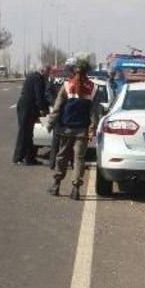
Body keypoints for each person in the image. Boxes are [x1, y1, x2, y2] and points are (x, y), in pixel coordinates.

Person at [46, 58, 97, 200]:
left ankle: (56, 185)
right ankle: (76, 189)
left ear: (74, 71)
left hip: (65, 128)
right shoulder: (93, 88)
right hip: (82, 129)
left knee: (62, 156)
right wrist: (92, 129)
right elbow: (94, 112)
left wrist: (50, 124)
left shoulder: (67, 85)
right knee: (79, 159)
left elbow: (57, 108)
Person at [13, 66, 50, 165]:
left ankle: (29, 158)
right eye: (48, 72)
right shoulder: (38, 79)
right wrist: (43, 109)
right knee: (25, 133)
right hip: (28, 108)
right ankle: (18, 157)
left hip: (26, 107)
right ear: (43, 71)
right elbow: (39, 95)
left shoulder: (32, 76)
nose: (48, 75)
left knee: (28, 133)